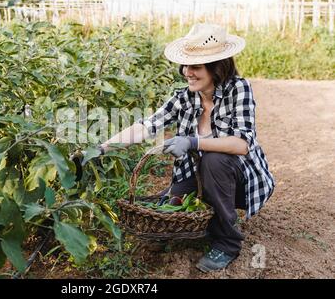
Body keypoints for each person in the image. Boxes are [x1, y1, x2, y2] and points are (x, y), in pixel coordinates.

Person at [90, 23, 275, 272]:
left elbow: (241, 144)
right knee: (169, 205)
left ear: (216, 68)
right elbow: (147, 126)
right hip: (202, 176)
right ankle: (209, 218)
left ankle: (228, 242)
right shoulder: (184, 97)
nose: (187, 72)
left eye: (196, 66)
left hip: (239, 181)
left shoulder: (238, 89)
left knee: (214, 159)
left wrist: (192, 141)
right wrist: (101, 148)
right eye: (186, 65)